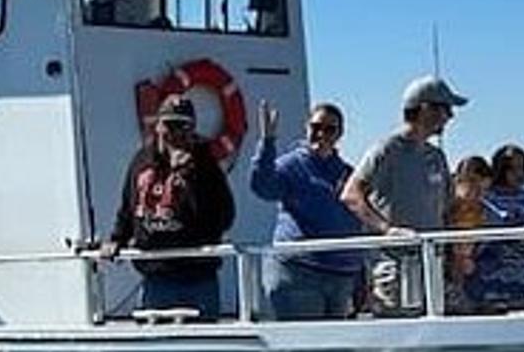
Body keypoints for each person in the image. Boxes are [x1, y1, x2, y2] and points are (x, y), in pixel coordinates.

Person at [103, 93, 235, 320]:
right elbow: (127, 208)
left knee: (204, 348)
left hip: (198, 278)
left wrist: (191, 179)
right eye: (170, 125)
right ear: (158, 126)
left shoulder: (205, 163)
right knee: (154, 350)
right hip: (156, 279)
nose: (176, 133)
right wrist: (117, 239)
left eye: (184, 127)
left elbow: (225, 217)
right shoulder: (141, 160)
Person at [342, 75, 466, 313]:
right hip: (395, 265)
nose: (450, 116)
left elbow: (447, 208)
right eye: (445, 108)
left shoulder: (436, 156)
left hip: (433, 262)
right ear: (425, 109)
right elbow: (351, 195)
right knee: (399, 329)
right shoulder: (387, 149)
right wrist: (388, 229)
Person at [248, 99, 364, 319]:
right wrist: (267, 142)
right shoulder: (291, 165)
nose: (321, 134)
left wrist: (360, 276)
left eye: (330, 129)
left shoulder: (347, 172)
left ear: (340, 134)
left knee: (334, 349)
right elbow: (263, 187)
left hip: (341, 277)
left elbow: (355, 223)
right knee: (305, 350)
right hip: (299, 273)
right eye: (315, 127)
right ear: (306, 127)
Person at [464, 143, 524, 309]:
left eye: (523, 168)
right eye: (513, 168)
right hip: (487, 280)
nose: (519, 174)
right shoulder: (485, 196)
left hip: (522, 280)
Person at [445, 154, 492, 312]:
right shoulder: (451, 206)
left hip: (475, 267)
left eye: (481, 187)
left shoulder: (482, 210)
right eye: (469, 182)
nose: (474, 191)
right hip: (453, 265)